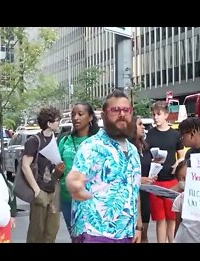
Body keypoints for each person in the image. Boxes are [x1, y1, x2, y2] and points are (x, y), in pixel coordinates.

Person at [66, 89, 142, 243]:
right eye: (115, 110)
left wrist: (138, 226)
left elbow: (134, 190)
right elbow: (75, 181)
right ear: (104, 115)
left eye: (126, 110)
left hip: (126, 232)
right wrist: (75, 185)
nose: (122, 114)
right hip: (94, 233)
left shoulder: (133, 151)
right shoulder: (91, 147)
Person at [58, 102, 99, 237]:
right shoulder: (65, 141)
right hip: (67, 198)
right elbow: (56, 172)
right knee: (75, 236)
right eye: (73, 114)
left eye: (80, 114)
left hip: (91, 198)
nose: (76, 118)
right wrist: (57, 171)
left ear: (90, 117)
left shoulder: (98, 142)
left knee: (90, 237)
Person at [23, 106, 63, 243]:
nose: (59, 123)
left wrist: (58, 170)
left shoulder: (55, 140)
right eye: (57, 120)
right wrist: (36, 190)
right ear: (49, 123)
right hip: (40, 189)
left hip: (54, 189)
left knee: (52, 230)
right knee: (37, 232)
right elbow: (25, 166)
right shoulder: (34, 141)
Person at [146, 101, 184, 243]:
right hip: (156, 180)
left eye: (158, 114)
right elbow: (146, 155)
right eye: (154, 114)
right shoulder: (150, 134)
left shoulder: (175, 134)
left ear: (166, 115)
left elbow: (181, 156)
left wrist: (177, 164)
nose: (155, 117)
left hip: (172, 180)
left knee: (172, 218)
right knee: (160, 219)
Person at [128, 115, 154, 243]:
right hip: (131, 197)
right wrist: (139, 180)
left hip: (145, 195)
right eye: (140, 124)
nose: (143, 126)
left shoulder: (145, 147)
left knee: (144, 233)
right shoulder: (127, 148)